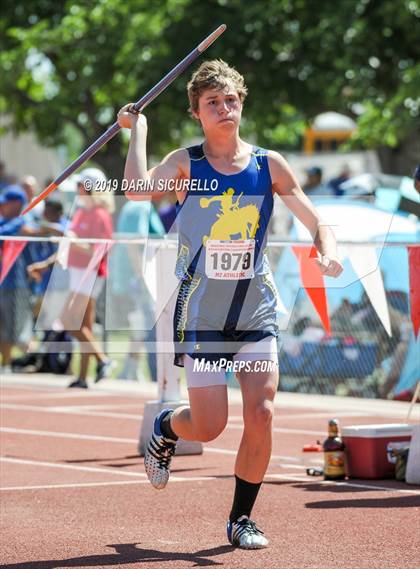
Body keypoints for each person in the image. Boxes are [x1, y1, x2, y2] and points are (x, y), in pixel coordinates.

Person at [117, 59, 343, 549]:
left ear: (242, 104)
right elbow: (135, 190)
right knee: (210, 425)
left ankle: (241, 519)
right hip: (204, 312)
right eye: (212, 103)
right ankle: (167, 425)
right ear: (197, 113)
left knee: (262, 411)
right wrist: (139, 131)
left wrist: (327, 250)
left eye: (231, 100)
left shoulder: (270, 164)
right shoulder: (186, 165)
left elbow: (314, 219)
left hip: (255, 308)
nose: (224, 109)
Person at [60, 168, 116, 388]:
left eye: (79, 185)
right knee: (84, 325)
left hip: (90, 274)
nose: (77, 189)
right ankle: (84, 376)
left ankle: (103, 360)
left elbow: (98, 250)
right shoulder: (83, 211)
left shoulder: (100, 215)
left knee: (68, 320)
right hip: (78, 273)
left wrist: (73, 241)